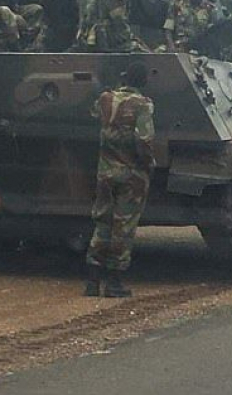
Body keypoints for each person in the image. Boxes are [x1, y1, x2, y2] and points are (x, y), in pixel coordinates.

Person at [85, 62, 156, 298]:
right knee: (123, 227)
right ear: (143, 81)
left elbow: (94, 114)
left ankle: (92, 281)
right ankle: (114, 282)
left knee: (103, 222)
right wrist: (148, 164)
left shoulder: (105, 99)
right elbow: (144, 140)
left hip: (105, 172)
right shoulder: (142, 105)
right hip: (131, 174)